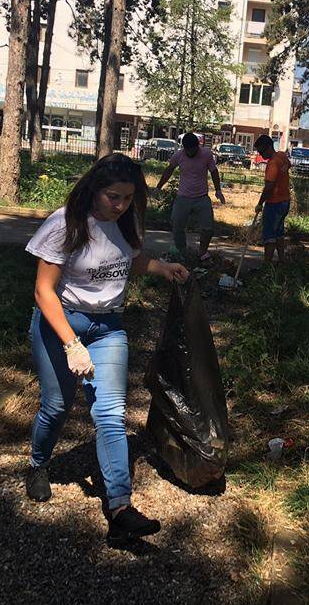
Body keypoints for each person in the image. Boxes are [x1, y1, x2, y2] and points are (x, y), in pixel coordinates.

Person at [24, 153, 189, 544]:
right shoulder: (64, 224)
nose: (121, 206)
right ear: (93, 190)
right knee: (57, 406)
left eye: (129, 198)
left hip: (109, 327)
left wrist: (161, 268)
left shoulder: (127, 222)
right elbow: (42, 291)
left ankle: (119, 507)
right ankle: (37, 464)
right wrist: (71, 344)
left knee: (111, 414)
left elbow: (126, 262)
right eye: (113, 197)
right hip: (61, 322)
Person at [155, 132, 226, 264]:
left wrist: (218, 190)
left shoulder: (206, 154)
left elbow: (214, 171)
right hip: (183, 197)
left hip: (201, 197)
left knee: (208, 227)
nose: (191, 152)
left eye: (194, 149)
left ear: (197, 147)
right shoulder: (179, 155)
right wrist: (159, 186)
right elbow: (169, 169)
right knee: (177, 225)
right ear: (184, 148)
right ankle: (182, 252)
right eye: (188, 150)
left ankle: (203, 252)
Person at [254, 134, 291, 264]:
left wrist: (259, 203)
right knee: (279, 233)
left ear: (269, 147)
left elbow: (269, 186)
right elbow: (289, 165)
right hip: (285, 202)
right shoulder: (281, 156)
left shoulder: (273, 163)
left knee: (269, 235)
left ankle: (267, 265)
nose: (260, 154)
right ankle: (282, 261)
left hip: (274, 203)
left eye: (261, 151)